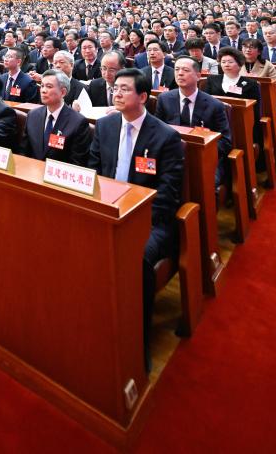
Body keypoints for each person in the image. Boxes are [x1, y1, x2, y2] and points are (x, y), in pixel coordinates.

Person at [88, 68, 184, 372]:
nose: (117, 93)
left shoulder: (165, 136)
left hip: (150, 220)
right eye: (115, 88)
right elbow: (93, 171)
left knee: (136, 257)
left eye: (125, 89)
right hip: (107, 210)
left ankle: (137, 340)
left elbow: (168, 195)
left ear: (142, 97)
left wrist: (132, 220)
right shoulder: (104, 126)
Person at [155, 57, 232, 188]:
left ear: (198, 76)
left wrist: (199, 152)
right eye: (177, 69)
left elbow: (225, 141)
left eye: (185, 70)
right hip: (172, 156)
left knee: (202, 183)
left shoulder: (215, 105)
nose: (180, 73)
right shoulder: (164, 99)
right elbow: (157, 131)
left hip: (204, 157)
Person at [20, 70, 91, 166]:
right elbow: (23, 152)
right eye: (42, 86)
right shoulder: (32, 115)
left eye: (49, 86)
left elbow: (77, 163)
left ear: (63, 92)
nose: (43, 90)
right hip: (32, 170)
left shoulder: (78, 122)